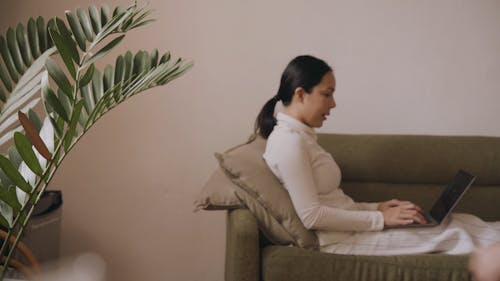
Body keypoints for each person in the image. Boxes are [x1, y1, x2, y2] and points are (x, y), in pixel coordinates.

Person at [254, 55, 500, 255]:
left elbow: (335, 202)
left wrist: (377, 207)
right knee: (455, 235)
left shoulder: (302, 137)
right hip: (339, 241)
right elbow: (312, 216)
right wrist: (381, 219)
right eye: (327, 94)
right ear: (300, 94)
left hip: (353, 229)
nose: (334, 104)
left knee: (460, 221)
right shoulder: (288, 143)